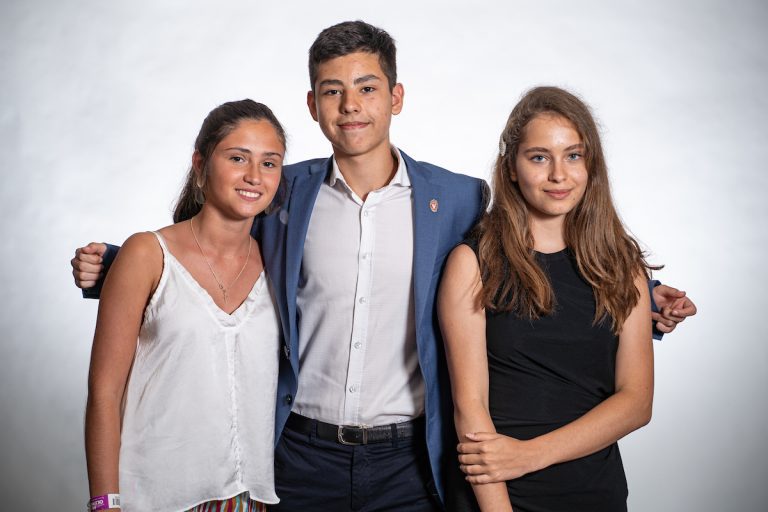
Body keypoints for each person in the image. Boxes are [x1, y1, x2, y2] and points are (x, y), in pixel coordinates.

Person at [72, 22, 696, 512]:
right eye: (332, 91)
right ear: (313, 105)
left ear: (395, 97)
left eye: (367, 87)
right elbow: (210, 230)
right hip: (297, 455)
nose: (351, 106)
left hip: (410, 462)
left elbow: (524, 258)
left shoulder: (456, 198)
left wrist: (648, 294)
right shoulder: (281, 192)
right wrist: (120, 263)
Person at [438, 86, 663, 511]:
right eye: (539, 157)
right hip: (498, 496)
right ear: (511, 168)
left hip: (595, 492)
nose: (559, 175)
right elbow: (470, 409)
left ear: (590, 164)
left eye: (573, 156)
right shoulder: (473, 263)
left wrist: (529, 455)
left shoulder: (622, 265)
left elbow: (636, 402)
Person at [84, 100, 286, 512]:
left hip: (251, 499)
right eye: (237, 158)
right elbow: (104, 393)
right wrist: (105, 504)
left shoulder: (279, 263)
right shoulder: (147, 254)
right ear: (200, 165)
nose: (253, 176)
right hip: (156, 497)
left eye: (270, 163)